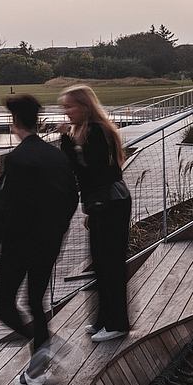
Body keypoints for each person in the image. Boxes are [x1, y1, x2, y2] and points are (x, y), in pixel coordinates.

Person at [0, 94, 78, 385]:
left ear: (14, 123)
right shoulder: (56, 156)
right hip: (48, 242)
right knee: (35, 301)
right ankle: (37, 367)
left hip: (18, 244)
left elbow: (7, 203)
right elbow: (72, 197)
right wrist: (58, 230)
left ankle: (42, 344)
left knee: (4, 305)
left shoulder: (17, 159)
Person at [58, 85, 131, 343]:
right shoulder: (89, 131)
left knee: (110, 265)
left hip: (110, 202)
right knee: (101, 265)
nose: (66, 112)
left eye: (70, 106)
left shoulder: (97, 132)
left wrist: (66, 145)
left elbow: (90, 174)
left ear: (85, 106)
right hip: (104, 202)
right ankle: (104, 319)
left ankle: (117, 323)